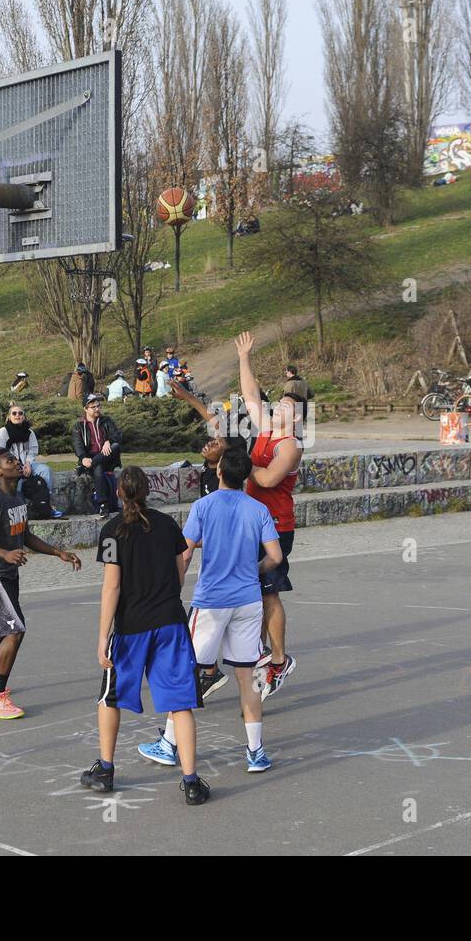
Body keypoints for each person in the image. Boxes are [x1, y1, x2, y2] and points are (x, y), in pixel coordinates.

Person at [138, 448, 284, 774]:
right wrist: (252, 569)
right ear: (246, 477)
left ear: (219, 472)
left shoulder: (203, 507)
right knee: (249, 677)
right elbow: (274, 557)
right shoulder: (258, 509)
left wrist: (172, 590)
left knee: (185, 672)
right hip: (247, 600)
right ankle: (256, 751)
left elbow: (186, 553)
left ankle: (169, 744)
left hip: (212, 601)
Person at [81, 467, 208, 805]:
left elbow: (112, 585)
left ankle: (105, 770)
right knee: (181, 704)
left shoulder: (112, 530)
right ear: (148, 491)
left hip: (131, 626)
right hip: (170, 621)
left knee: (110, 697)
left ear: (119, 493)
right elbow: (181, 569)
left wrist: (101, 635)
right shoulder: (167, 524)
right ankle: (191, 782)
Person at [0, 449, 81, 718]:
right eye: (9, 461)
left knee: (0, 628)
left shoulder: (17, 497)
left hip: (8, 573)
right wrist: (5, 554)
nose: (16, 463)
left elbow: (24, 535)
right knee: (15, 630)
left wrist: (57, 552)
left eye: (16, 460)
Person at [236, 331, 303, 699]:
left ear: (296, 419)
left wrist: (238, 465)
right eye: (277, 404)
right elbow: (249, 394)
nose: (278, 408)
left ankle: (279, 660)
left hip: (277, 528)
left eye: (286, 408)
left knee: (269, 593)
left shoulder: (290, 446)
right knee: (255, 591)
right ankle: (257, 652)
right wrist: (245, 357)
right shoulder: (266, 429)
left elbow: (264, 477)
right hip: (255, 523)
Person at [0, 405, 62, 515]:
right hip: (10, 467)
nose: (17, 415)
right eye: (14, 413)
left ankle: (46, 503)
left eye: (20, 413)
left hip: (26, 464)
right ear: (9, 416)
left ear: (24, 416)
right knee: (15, 481)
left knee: (45, 470)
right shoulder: (2, 433)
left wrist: (28, 463)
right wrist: (16, 466)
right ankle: (17, 510)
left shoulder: (29, 432)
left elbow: (33, 450)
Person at [72, 394, 123, 516]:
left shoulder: (107, 421)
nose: (97, 409)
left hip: (108, 456)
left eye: (98, 406)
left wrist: (108, 441)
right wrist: (83, 458)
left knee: (116, 446)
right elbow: (77, 445)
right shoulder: (79, 426)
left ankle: (88, 466)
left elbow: (117, 435)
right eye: (93, 407)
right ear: (85, 409)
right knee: (98, 467)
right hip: (90, 458)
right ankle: (103, 504)